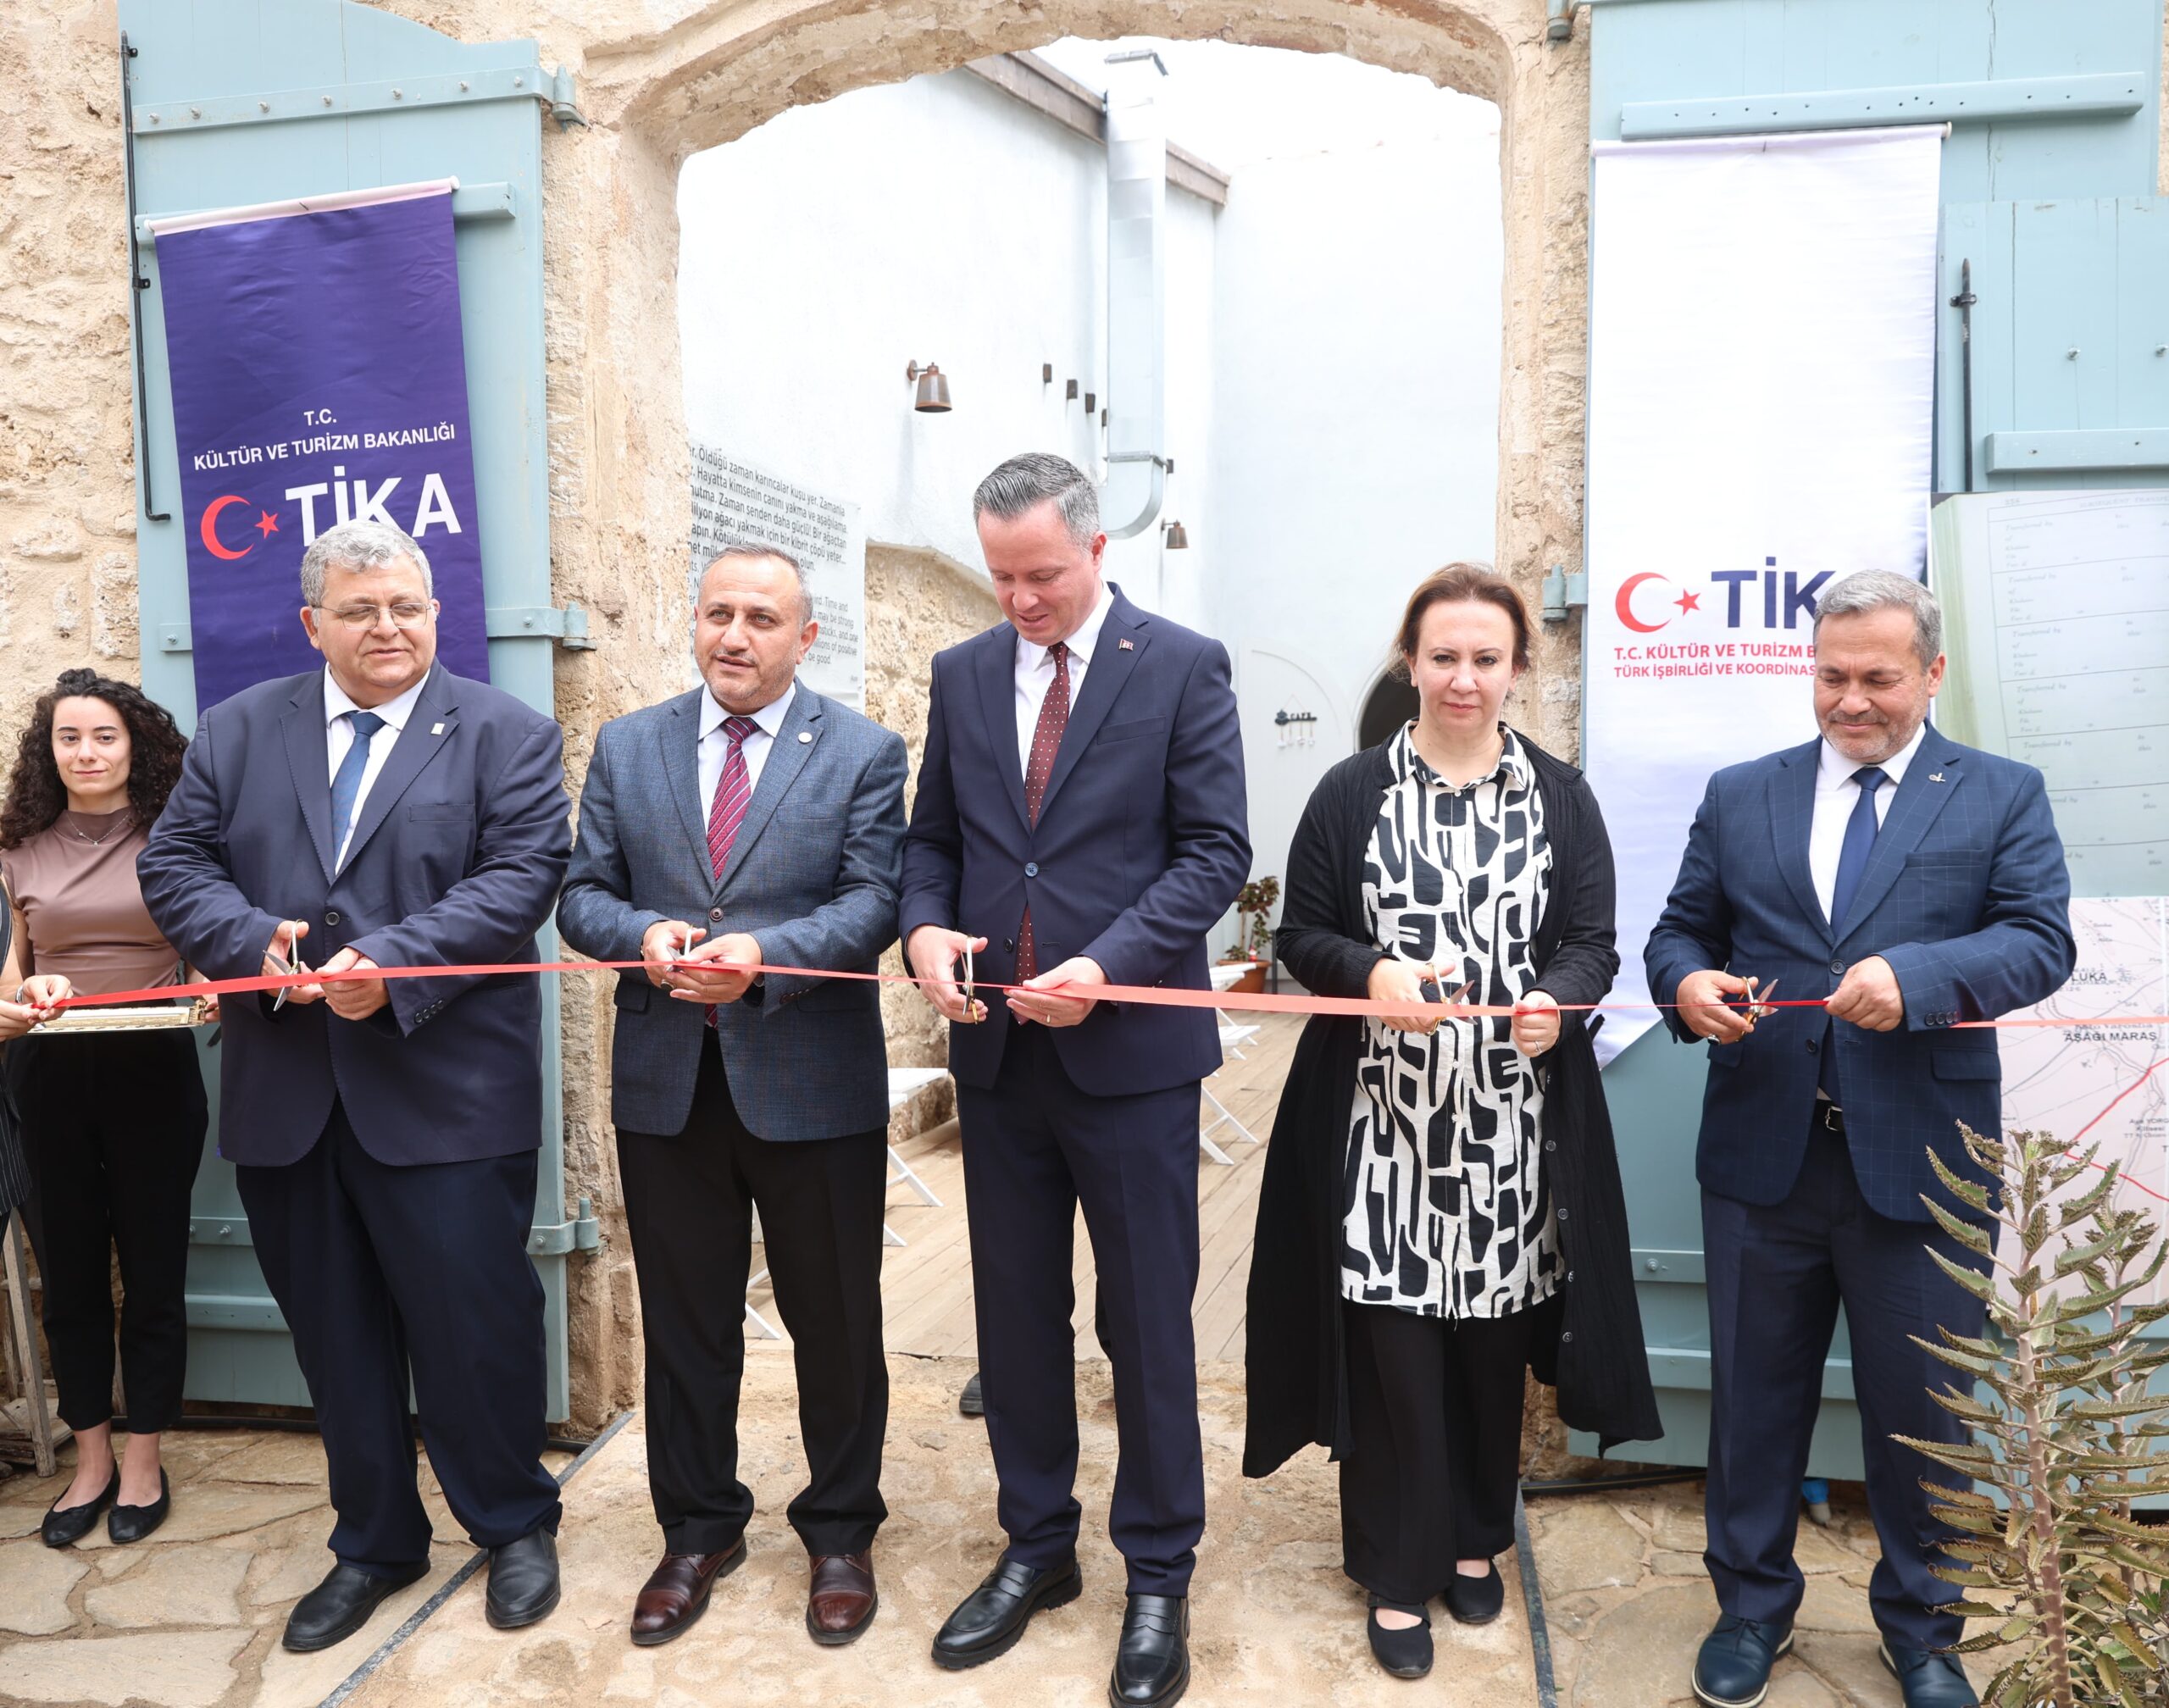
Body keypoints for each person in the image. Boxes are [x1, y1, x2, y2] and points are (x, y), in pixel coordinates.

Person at [138, 518, 572, 1654]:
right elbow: (172, 863)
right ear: (312, 624)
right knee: (334, 1337)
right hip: (288, 1095)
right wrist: (249, 940)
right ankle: (375, 1543)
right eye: (361, 609)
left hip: (445, 1092)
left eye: (407, 607)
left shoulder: (507, 734)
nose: (388, 627)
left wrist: (392, 965)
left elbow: (521, 878)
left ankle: (513, 1524)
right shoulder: (237, 729)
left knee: (474, 1327)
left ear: (437, 613)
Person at [1645, 569, 2074, 1708]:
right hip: (1762, 1159)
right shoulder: (1743, 793)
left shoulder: (2000, 793)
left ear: (1931, 674)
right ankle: (1750, 1608)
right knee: (1753, 1402)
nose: (1850, 699)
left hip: (1925, 1163)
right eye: (1831, 675)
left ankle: (1924, 1631)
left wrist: (1917, 978)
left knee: (1927, 1409)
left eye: (1877, 678)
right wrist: (1686, 987)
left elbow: (2040, 941)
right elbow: (1680, 933)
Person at [1245, 566, 1660, 1678]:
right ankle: (1396, 1568)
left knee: (1487, 1355)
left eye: (1485, 658)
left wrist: (1557, 998)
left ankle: (1476, 1538)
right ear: (1410, 662)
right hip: (1381, 1132)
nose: (1463, 678)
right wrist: (1368, 970)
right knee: (1395, 1360)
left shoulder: (1560, 797)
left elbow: (1592, 944)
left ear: (1518, 666)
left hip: (1514, 1136)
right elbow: (1302, 936)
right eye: (1443, 657)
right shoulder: (1351, 793)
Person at [901, 452, 1250, 1708]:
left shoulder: (1182, 666)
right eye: (1001, 577)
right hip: (999, 1055)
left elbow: (1215, 852)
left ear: (1098, 549)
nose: (1020, 600)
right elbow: (932, 839)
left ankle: (1158, 1571)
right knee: (1013, 1315)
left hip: (1132, 1058)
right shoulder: (962, 673)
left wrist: (1108, 965)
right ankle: (1036, 1545)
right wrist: (922, 931)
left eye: (1042, 574)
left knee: (1146, 1321)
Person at [558, 545, 907, 1649]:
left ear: (806, 637)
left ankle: (840, 1531)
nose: (735, 636)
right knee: (686, 1326)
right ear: (694, 622)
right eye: (719, 613)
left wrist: (766, 955)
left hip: (813, 1083)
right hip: (668, 1085)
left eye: (762, 617)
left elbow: (873, 902)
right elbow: (582, 894)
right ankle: (698, 1530)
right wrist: (643, 934)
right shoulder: (630, 745)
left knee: (835, 1322)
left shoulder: (862, 751)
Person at [0, 670, 206, 1548]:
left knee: (154, 1272)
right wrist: (23, 992)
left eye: (104, 736)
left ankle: (145, 1458)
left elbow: (207, 945)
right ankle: (90, 1461)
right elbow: (10, 970)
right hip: (46, 1074)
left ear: (137, 745)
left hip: (154, 1069)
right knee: (70, 1277)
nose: (86, 753)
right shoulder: (14, 847)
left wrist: (208, 988)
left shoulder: (179, 837)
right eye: (69, 738)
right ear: (48, 752)